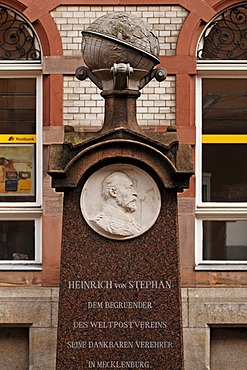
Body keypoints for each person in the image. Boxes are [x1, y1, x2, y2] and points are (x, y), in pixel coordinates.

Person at [91, 171, 143, 237]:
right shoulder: (101, 222)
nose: (135, 193)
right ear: (113, 192)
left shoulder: (133, 222)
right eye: (129, 188)